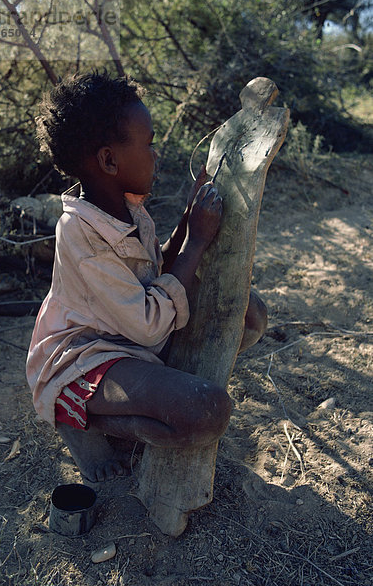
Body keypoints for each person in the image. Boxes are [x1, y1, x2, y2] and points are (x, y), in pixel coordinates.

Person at [26, 71, 267, 483]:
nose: (156, 155)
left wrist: (189, 220)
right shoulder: (79, 233)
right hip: (86, 360)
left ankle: (147, 396)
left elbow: (157, 272)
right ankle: (81, 420)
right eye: (150, 144)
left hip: (134, 339)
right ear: (109, 160)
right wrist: (194, 244)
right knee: (205, 412)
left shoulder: (128, 208)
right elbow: (149, 327)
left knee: (249, 313)